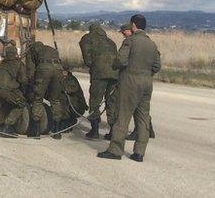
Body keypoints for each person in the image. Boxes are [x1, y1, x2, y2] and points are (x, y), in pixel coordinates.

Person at [98, 14, 160, 162]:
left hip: (130, 81)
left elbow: (120, 60)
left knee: (123, 115)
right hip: (147, 82)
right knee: (143, 117)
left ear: (133, 25)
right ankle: (139, 153)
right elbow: (157, 66)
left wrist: (117, 66)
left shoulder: (130, 41)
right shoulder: (152, 44)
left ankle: (115, 150)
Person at [79, 22, 118, 139]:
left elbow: (87, 59)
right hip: (115, 74)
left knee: (95, 101)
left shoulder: (87, 38)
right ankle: (113, 132)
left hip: (99, 73)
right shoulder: (111, 42)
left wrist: (93, 66)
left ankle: (94, 130)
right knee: (112, 102)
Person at [0, 42, 30, 138]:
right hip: (5, 90)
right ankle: (7, 127)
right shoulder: (18, 63)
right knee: (20, 104)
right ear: (16, 53)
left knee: (7, 103)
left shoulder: (3, 63)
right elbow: (23, 80)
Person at [25, 40, 65, 139]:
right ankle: (57, 131)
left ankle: (36, 131)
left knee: (38, 99)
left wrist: (32, 83)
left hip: (44, 69)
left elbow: (30, 69)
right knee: (55, 99)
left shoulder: (32, 50)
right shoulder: (51, 49)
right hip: (58, 70)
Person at [58, 67, 87, 132]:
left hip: (77, 107)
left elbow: (69, 89)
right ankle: (69, 120)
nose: (63, 73)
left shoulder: (71, 79)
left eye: (64, 71)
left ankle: (67, 121)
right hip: (74, 105)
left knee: (63, 98)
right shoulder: (64, 78)